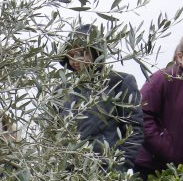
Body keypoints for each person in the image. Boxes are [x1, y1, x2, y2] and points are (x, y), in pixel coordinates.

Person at [59, 24, 144, 171]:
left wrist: (118, 168)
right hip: (66, 176)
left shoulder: (119, 82)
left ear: (96, 52)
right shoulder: (62, 89)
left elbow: (134, 130)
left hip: (103, 177)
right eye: (70, 55)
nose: (75, 61)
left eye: (81, 53)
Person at [132, 33, 183, 179]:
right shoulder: (163, 78)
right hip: (152, 169)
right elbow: (140, 114)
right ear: (180, 57)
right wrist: (166, 149)